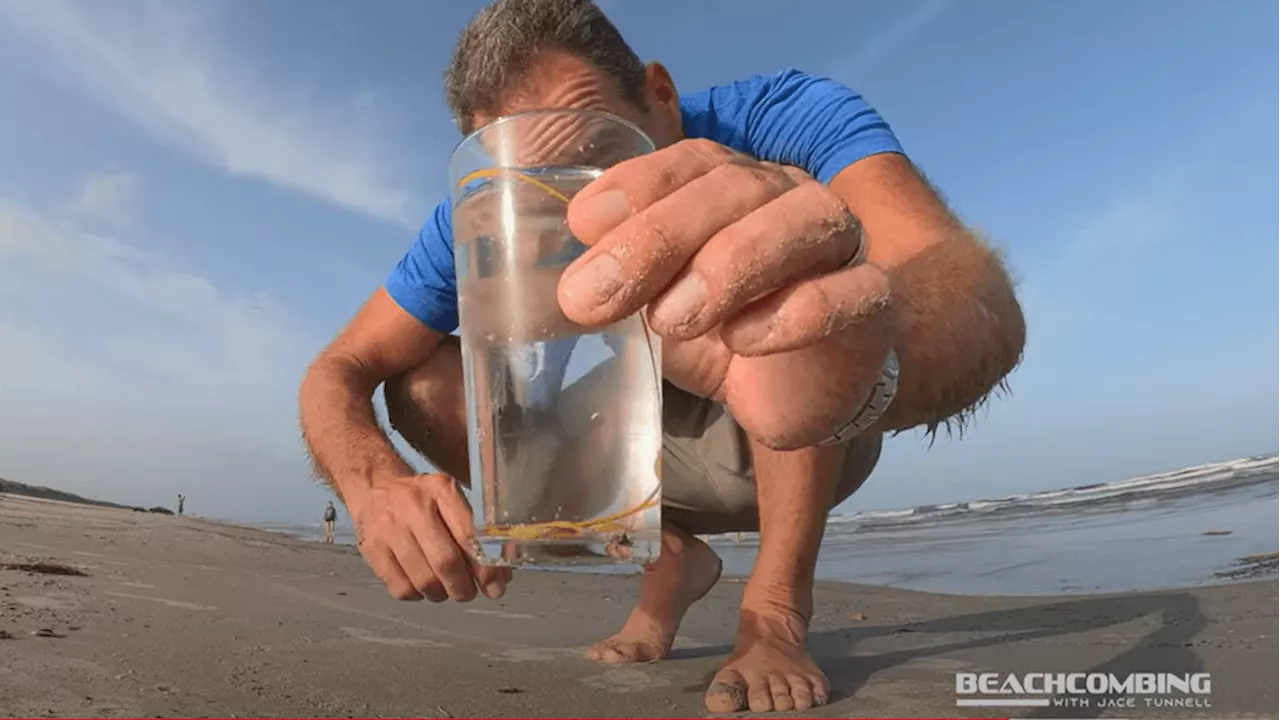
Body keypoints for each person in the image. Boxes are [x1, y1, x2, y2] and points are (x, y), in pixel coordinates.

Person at [298, 0, 1026, 713]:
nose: (567, 216)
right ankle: (668, 559)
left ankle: (772, 612)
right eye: (528, 182)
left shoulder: (780, 115)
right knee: (422, 384)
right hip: (630, 445)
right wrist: (373, 486)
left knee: (773, 258)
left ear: (661, 94)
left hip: (823, 410)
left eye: (592, 155)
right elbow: (340, 368)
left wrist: (851, 355)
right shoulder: (480, 211)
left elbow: (972, 294)